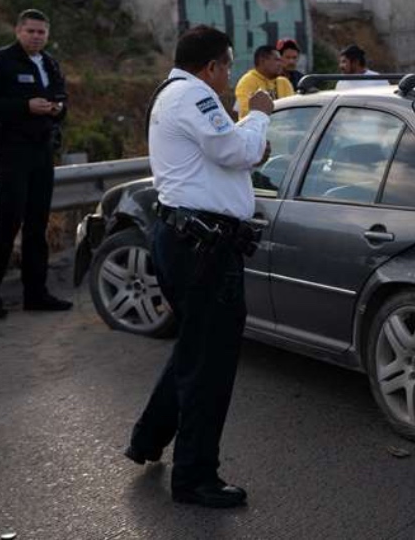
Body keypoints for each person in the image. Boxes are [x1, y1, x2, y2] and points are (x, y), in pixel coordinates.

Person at [126, 25, 273, 509]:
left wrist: (248, 142)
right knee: (209, 366)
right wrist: (258, 115)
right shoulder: (195, 95)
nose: (229, 74)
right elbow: (236, 150)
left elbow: (225, 157)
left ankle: (149, 437)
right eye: (227, 65)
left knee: (194, 350)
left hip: (188, 239)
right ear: (211, 66)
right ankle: (194, 477)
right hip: (203, 248)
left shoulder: (175, 94)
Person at [0, 8, 72, 316]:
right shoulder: (1, 60)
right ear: (18, 31)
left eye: (41, 32)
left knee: (37, 224)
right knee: (9, 221)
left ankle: (36, 293)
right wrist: (25, 106)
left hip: (43, 150)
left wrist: (57, 108)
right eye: (31, 31)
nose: (36, 37)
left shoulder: (49, 63)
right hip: (12, 151)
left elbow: (62, 98)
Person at [233, 44, 294, 117]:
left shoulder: (284, 82)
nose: (281, 64)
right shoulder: (247, 82)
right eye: (277, 60)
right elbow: (246, 113)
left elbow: (293, 111)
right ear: (262, 61)